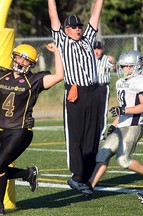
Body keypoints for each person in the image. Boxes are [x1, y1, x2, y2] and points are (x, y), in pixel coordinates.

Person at [0, 43, 64, 216]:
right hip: (3, 131)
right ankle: (28, 173)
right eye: (19, 57)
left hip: (21, 131)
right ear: (13, 57)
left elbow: (59, 76)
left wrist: (57, 52)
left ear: (32, 64)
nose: (21, 61)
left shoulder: (34, 80)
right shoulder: (0, 74)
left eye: (26, 60)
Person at [71, 50, 143, 197]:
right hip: (122, 126)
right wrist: (114, 124)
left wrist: (122, 110)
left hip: (133, 127)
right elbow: (123, 109)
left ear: (137, 66)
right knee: (102, 155)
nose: (125, 69)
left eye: (128, 66)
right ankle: (89, 186)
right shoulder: (121, 82)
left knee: (123, 160)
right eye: (123, 66)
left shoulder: (142, 81)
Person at [48, 0, 103, 191]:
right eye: (73, 27)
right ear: (66, 30)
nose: (78, 29)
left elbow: (95, 16)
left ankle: (86, 176)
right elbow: (53, 16)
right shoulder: (62, 41)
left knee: (93, 134)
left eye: (79, 26)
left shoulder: (87, 38)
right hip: (75, 92)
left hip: (94, 91)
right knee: (76, 135)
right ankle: (77, 175)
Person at [94, 41, 115, 140]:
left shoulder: (106, 59)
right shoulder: (89, 59)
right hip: (92, 87)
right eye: (95, 49)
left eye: (99, 49)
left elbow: (115, 69)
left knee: (102, 111)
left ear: (102, 50)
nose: (97, 51)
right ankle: (92, 132)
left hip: (103, 87)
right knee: (92, 110)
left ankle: (101, 134)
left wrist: (113, 62)